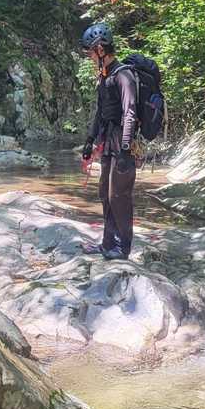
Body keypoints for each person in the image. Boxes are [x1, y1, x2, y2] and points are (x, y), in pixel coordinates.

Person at [80, 22, 138, 260]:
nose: (90, 57)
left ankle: (123, 248)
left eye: (90, 53)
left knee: (119, 195)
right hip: (108, 143)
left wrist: (125, 148)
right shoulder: (105, 77)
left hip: (123, 145)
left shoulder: (123, 75)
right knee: (105, 193)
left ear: (101, 49)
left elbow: (130, 112)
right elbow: (100, 112)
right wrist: (89, 140)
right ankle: (107, 243)